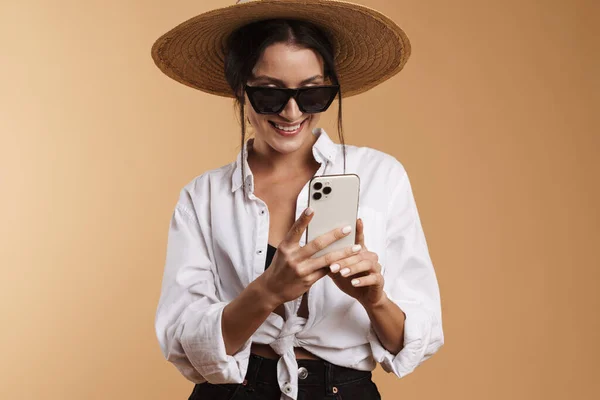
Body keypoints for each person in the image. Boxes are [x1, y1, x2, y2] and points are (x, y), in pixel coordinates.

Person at [152, 1, 444, 399]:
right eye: (271, 95)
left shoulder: (381, 176)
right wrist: (268, 290)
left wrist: (375, 300)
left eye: (312, 93)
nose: (292, 112)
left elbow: (413, 342)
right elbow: (185, 344)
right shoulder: (203, 197)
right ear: (240, 90)